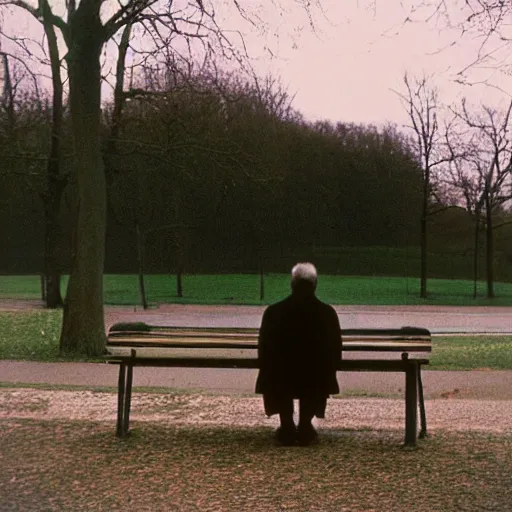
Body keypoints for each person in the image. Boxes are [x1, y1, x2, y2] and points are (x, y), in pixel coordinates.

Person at [255, 262, 341, 446]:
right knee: (317, 371)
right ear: (315, 284)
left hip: (280, 376)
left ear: (292, 284)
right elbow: (336, 351)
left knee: (276, 370)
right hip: (315, 376)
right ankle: (304, 425)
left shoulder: (273, 312)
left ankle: (286, 424)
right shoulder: (327, 313)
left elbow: (264, 350)